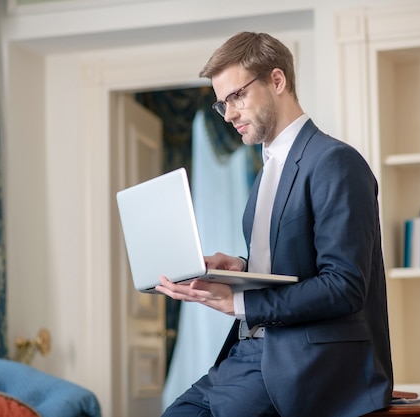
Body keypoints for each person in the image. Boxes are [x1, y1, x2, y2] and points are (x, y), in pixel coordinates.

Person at [156, 31, 393, 417]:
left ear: (277, 81)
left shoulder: (335, 161)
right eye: (222, 104)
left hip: (299, 361)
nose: (229, 113)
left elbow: (345, 286)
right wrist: (241, 268)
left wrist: (238, 301)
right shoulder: (266, 172)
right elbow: (293, 266)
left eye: (237, 96)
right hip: (245, 354)